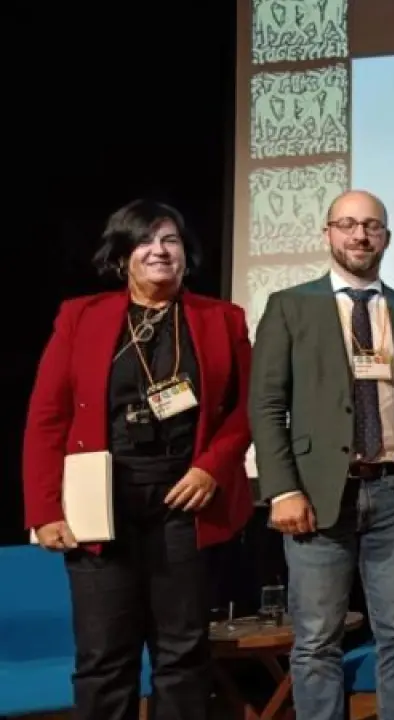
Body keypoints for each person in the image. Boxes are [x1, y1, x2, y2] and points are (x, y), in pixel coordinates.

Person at [23, 199, 254, 720]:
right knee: (104, 656)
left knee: (183, 653)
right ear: (122, 255)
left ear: (186, 253)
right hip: (101, 504)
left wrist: (212, 467)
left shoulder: (222, 319)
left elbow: (248, 409)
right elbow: (47, 417)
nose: (159, 250)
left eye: (170, 240)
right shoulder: (80, 317)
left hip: (186, 502)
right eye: (145, 240)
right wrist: (44, 509)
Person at [249, 189, 394, 720]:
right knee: (317, 638)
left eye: (371, 226)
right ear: (328, 233)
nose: (360, 235)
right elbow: (266, 405)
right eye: (347, 225)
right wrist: (282, 489)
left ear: (386, 237)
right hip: (317, 495)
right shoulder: (290, 306)